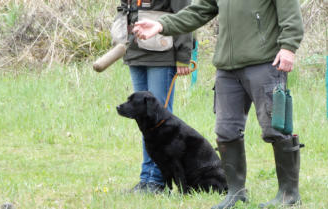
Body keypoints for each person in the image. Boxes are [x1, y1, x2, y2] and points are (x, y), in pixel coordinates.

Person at [132, 0, 304, 208]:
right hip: (227, 67)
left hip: (265, 61)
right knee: (225, 131)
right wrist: (162, 25)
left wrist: (288, 47)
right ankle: (235, 193)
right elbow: (200, 10)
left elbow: (291, 15)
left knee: (276, 129)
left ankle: (288, 194)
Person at [117, 0, 193, 194]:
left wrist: (183, 54)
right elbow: (126, 9)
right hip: (135, 51)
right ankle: (147, 179)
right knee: (144, 120)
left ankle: (157, 181)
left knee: (160, 121)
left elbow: (185, 13)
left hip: (162, 54)